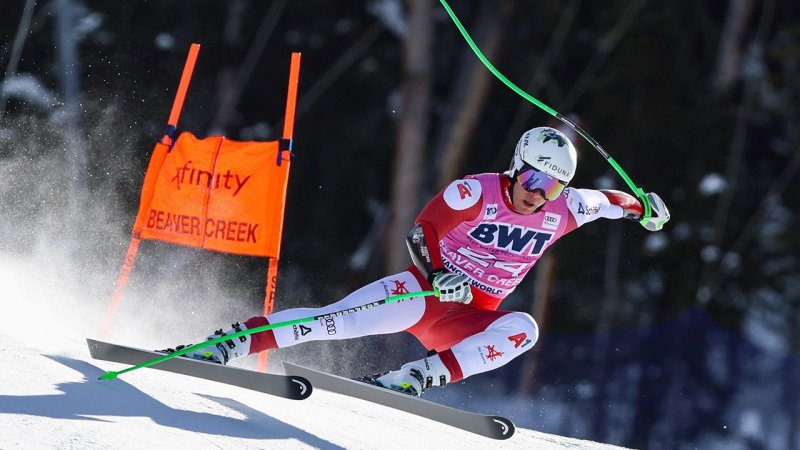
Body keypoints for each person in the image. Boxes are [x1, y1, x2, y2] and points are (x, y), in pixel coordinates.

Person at [174, 126, 670, 397]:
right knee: (331, 323)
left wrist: (643, 207)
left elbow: (610, 201)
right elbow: (422, 231)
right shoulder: (478, 191)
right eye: (534, 181)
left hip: (470, 318)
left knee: (524, 329)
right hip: (425, 295)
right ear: (517, 167)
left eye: (552, 187)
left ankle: (418, 377)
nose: (539, 196)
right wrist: (437, 274)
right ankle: (231, 342)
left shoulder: (565, 207)